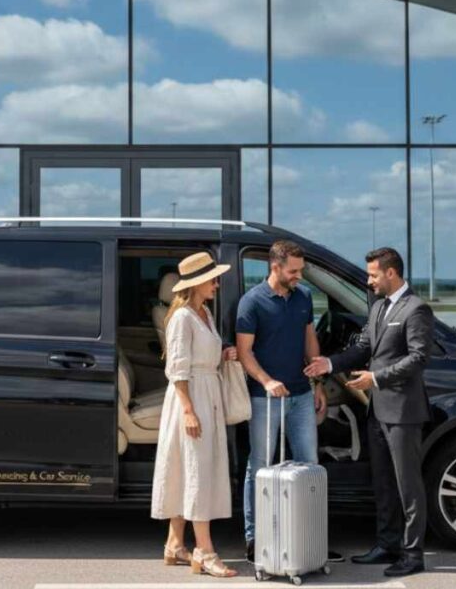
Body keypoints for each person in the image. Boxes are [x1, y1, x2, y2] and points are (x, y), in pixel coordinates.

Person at [304, 246, 433, 578]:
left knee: (408, 486)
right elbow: (363, 347)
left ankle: (412, 554)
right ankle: (387, 545)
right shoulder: (377, 307)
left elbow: (418, 358)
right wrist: (329, 364)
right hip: (377, 410)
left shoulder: (416, 308)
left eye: (373, 275)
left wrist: (375, 378)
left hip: (403, 412)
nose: (369, 280)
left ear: (391, 272)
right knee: (383, 483)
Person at [236, 239, 341, 564]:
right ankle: (256, 538)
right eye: (294, 271)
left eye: (301, 270)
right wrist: (267, 381)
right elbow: (244, 352)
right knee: (260, 466)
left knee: (309, 465)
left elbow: (310, 340)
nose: (299, 276)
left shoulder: (304, 297)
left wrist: (317, 383)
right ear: (275, 267)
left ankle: (310, 540)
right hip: (265, 398)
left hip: (301, 395)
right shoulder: (252, 302)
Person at [151, 251, 240, 578]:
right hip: (191, 399)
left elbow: (202, 355)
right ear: (197, 283)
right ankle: (204, 551)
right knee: (198, 471)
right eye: (212, 279)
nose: (217, 284)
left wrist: (222, 354)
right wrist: (188, 410)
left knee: (187, 468)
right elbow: (177, 369)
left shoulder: (205, 313)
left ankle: (175, 544)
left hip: (207, 393)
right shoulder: (182, 318)